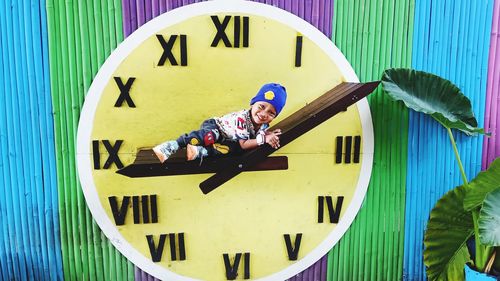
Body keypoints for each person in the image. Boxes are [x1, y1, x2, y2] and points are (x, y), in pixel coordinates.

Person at [153, 83, 287, 163]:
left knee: (232, 149)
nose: (264, 114)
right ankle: (173, 145)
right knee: (209, 136)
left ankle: (200, 152)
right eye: (261, 107)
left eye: (271, 113)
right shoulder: (242, 119)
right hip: (215, 127)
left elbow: (253, 137)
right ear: (253, 104)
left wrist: (267, 133)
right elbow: (246, 143)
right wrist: (264, 139)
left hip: (228, 138)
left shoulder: (263, 124)